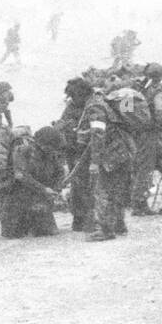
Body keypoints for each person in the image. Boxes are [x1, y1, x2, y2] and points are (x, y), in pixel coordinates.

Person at [78, 77, 138, 241]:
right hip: (125, 150)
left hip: (111, 154)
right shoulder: (104, 100)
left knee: (103, 190)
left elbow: (98, 134)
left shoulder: (94, 106)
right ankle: (119, 224)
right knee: (118, 189)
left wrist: (95, 162)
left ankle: (105, 229)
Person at [1, 126, 66, 238]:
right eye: (50, 147)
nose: (52, 151)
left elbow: (60, 172)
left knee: (47, 232)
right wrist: (44, 189)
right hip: (19, 198)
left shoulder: (51, 154)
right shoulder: (22, 150)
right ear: (41, 144)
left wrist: (56, 189)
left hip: (40, 197)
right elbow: (21, 176)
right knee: (13, 234)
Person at [132, 62, 162, 215]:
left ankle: (138, 202)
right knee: (146, 168)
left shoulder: (141, 91)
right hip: (150, 135)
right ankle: (139, 205)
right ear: (161, 77)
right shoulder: (158, 92)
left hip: (137, 134)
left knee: (141, 167)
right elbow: (160, 115)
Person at [57, 77, 97, 233]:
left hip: (90, 150)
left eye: (75, 96)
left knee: (89, 184)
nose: (73, 99)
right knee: (78, 184)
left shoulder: (94, 106)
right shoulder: (71, 106)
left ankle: (89, 218)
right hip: (74, 150)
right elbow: (63, 123)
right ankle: (79, 219)